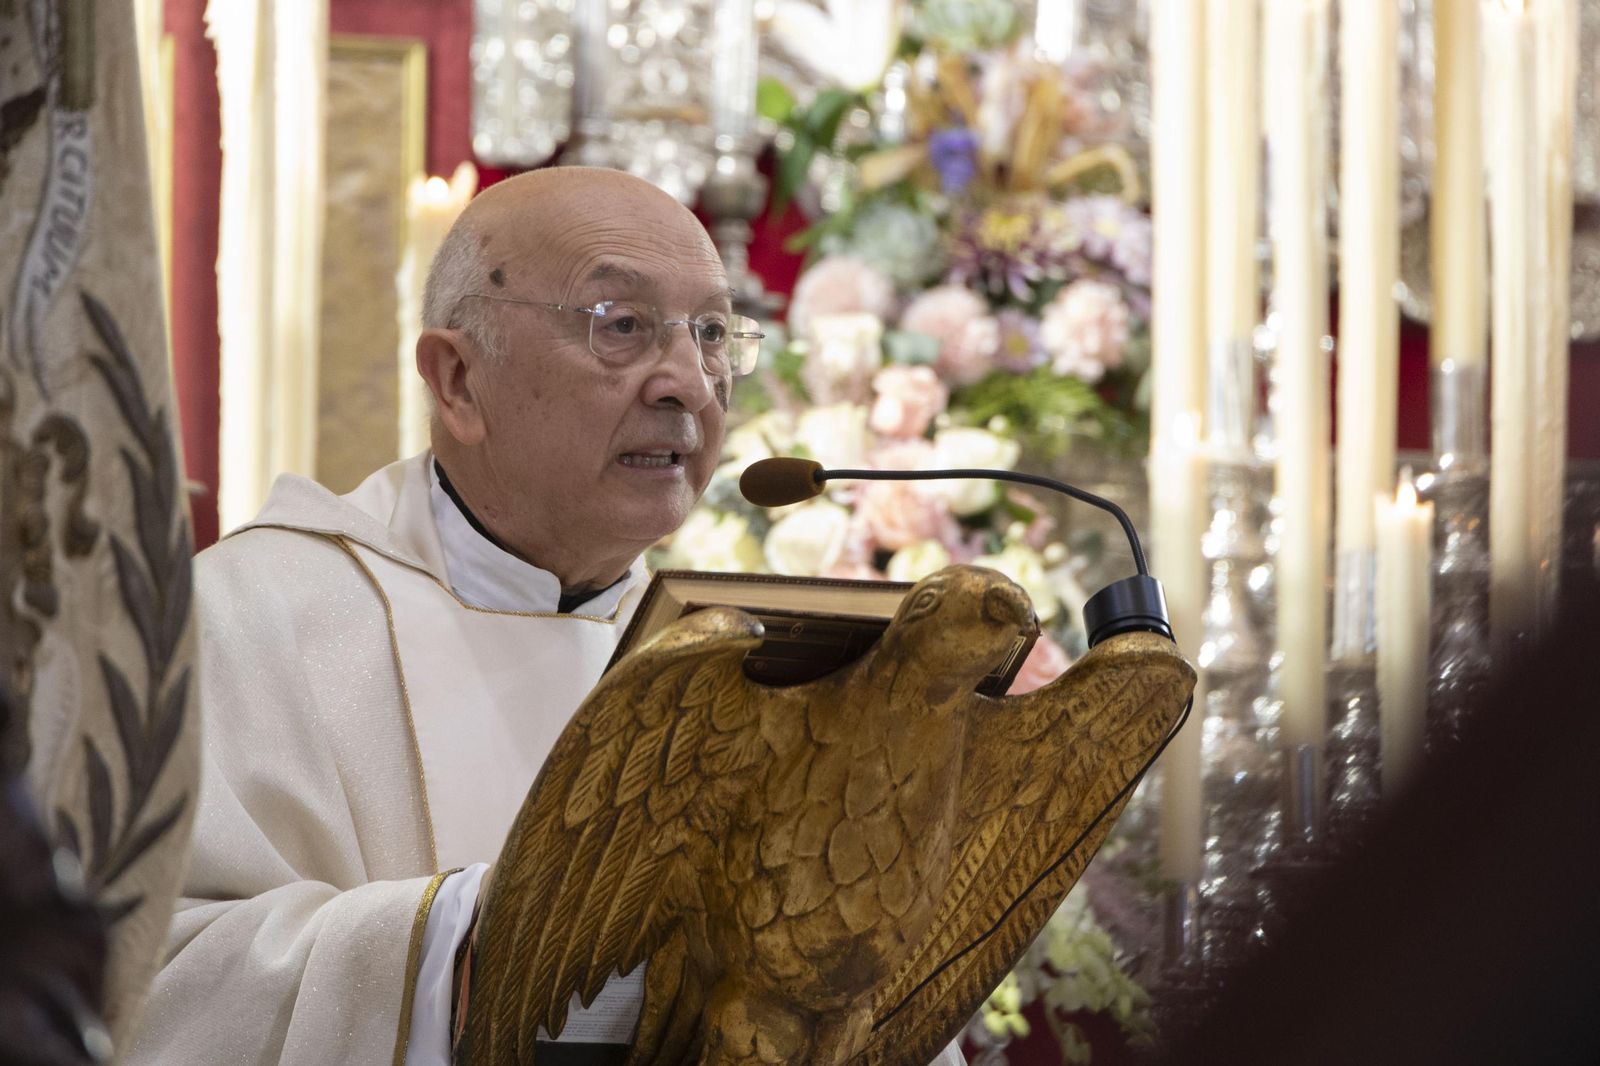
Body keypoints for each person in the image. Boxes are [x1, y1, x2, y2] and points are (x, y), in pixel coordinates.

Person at [128, 168, 965, 1065]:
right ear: (457, 379)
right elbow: (130, 979)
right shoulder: (238, 622)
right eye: (622, 326)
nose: (688, 382)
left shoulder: (746, 658)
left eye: (713, 333)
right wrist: (456, 953)